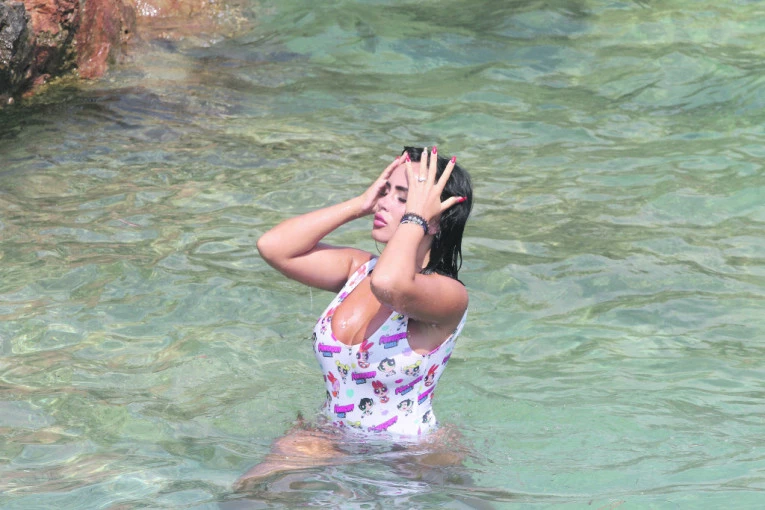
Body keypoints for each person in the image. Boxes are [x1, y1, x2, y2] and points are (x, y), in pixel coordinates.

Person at [236, 146, 473, 487]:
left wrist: (416, 218)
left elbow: (390, 285)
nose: (383, 203)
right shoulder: (358, 270)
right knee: (249, 494)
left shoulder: (449, 295)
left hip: (409, 457)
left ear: (434, 219)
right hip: (331, 438)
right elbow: (273, 246)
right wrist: (359, 204)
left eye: (402, 197)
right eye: (384, 191)